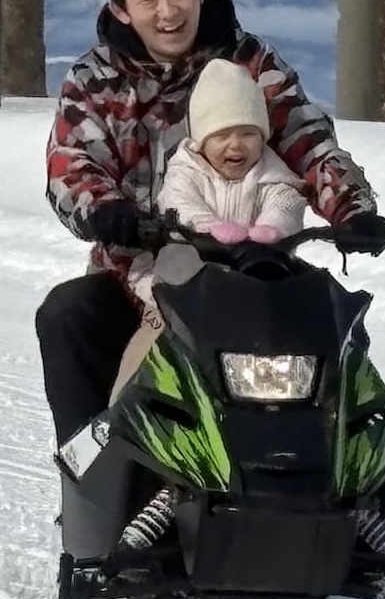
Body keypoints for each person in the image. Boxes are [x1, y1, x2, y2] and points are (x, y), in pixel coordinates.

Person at [37, 0, 385, 446]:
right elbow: (72, 164)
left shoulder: (249, 65)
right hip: (140, 278)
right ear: (121, 8)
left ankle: (350, 469)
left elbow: (308, 141)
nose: (168, 11)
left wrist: (351, 208)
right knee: (69, 314)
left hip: (255, 272)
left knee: (334, 332)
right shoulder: (94, 80)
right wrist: (106, 210)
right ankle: (90, 463)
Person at [108, 57, 309, 401]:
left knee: (288, 334)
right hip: (182, 285)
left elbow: (286, 200)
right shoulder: (186, 169)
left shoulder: (269, 171)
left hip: (251, 284)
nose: (236, 145)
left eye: (248, 134)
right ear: (201, 140)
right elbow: (178, 203)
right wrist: (211, 228)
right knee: (154, 335)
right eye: (222, 135)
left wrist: (271, 230)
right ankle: (121, 408)